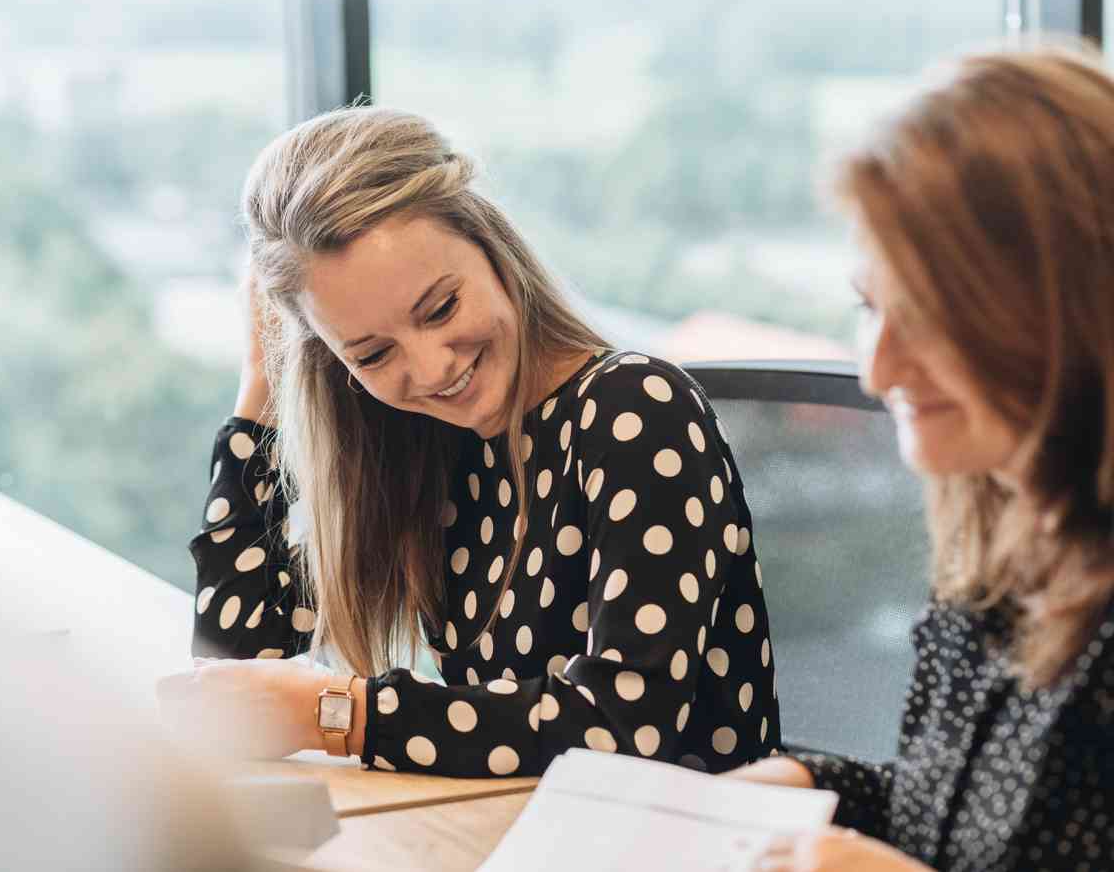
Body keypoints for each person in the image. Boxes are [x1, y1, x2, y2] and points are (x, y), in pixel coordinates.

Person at [174, 107, 779, 777]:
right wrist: (261, 384)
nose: (433, 368)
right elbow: (236, 676)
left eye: (441, 308)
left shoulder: (636, 408)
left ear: (490, 246)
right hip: (510, 827)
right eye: (372, 354)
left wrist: (341, 713)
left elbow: (624, 725)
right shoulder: (424, 440)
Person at [736, 45, 1114, 871]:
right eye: (869, 308)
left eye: (927, 317)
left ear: (1066, 309)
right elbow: (951, 815)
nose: (878, 372)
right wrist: (807, 781)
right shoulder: (994, 533)